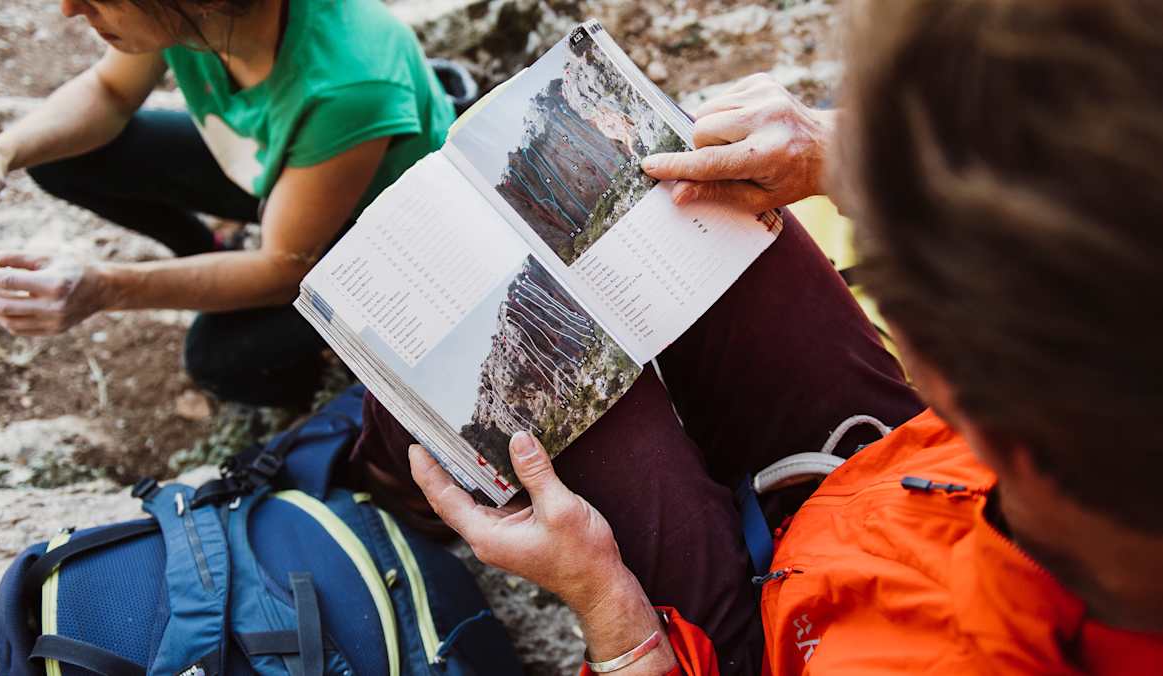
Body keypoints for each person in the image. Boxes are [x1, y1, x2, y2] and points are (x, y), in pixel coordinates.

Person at [401, 0, 1163, 673]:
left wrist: (608, 612)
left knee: (475, 353)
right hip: (906, 476)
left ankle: (385, 469)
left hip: (746, 647)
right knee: (686, 204)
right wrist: (835, 149)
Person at [0, 0, 454, 407]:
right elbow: (109, 93)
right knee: (58, 155)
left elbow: (284, 267)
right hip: (281, 169)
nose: (70, 9)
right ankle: (210, 249)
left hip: (370, 234)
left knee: (220, 359)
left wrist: (104, 288)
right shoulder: (193, 15)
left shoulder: (351, 83)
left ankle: (330, 390)